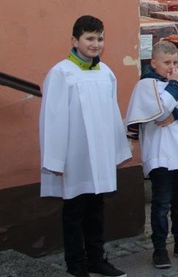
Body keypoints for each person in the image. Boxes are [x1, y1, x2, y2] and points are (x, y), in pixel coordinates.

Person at [39, 15, 131, 277]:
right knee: (74, 210)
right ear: (75, 40)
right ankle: (76, 264)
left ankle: (96, 258)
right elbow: (53, 119)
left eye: (99, 38)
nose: (95, 44)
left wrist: (116, 149)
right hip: (74, 155)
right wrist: (55, 160)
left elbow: (113, 114)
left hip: (99, 155)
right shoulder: (61, 73)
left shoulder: (106, 73)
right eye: (89, 38)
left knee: (96, 208)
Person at [125, 41, 178, 269]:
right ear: (153, 63)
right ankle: (159, 249)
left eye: (176, 63)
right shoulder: (145, 86)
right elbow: (159, 109)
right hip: (160, 154)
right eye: (166, 63)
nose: (172, 67)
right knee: (161, 204)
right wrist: (173, 86)